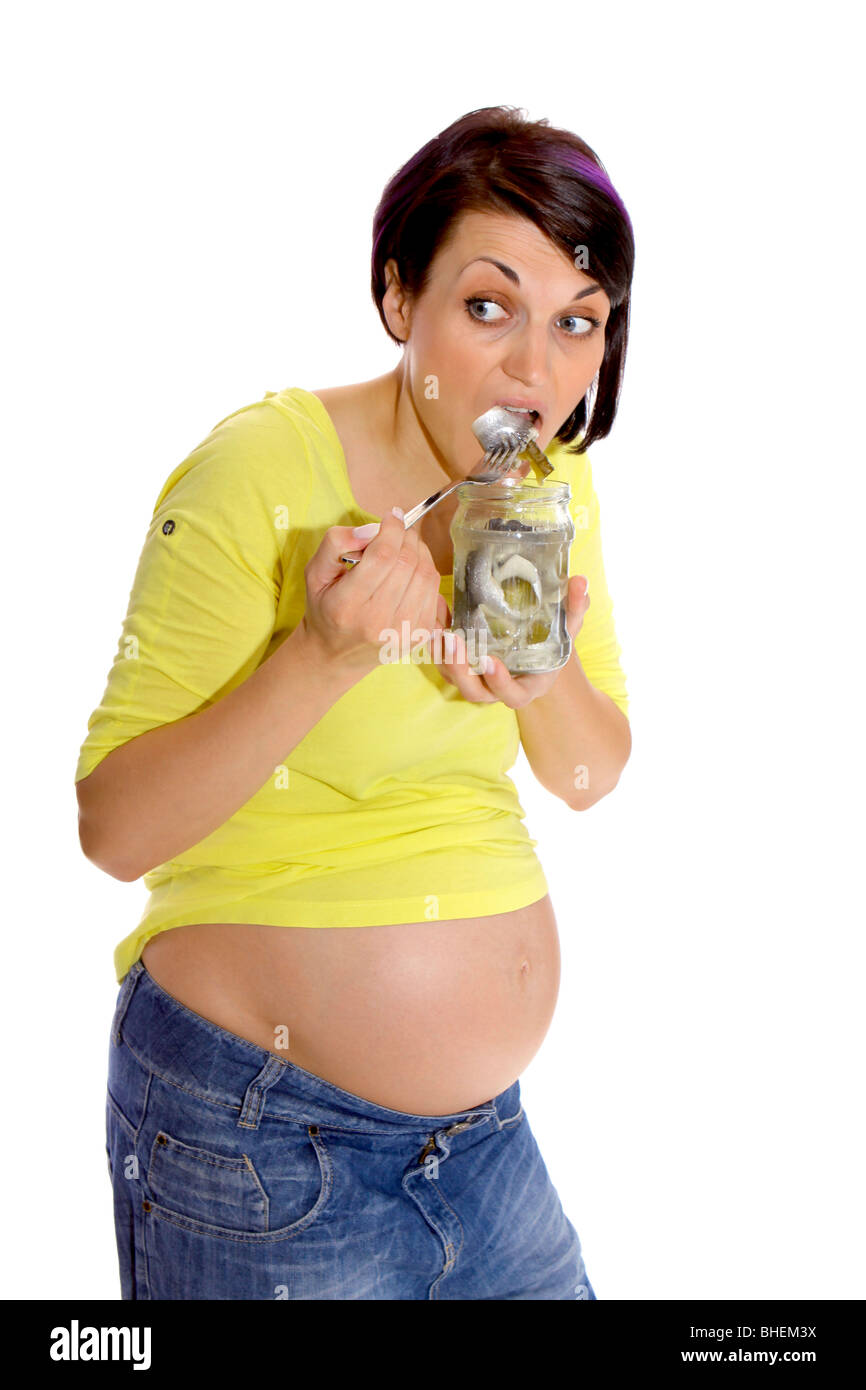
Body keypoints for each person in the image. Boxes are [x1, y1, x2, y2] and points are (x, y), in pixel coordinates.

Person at [76, 104, 634, 1300]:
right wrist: (320, 656)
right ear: (399, 300)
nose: (533, 371)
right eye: (487, 307)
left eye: (575, 322)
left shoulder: (548, 486)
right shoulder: (259, 471)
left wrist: (545, 687)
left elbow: (591, 775)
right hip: (258, 1139)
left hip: (482, 1148)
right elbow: (114, 831)